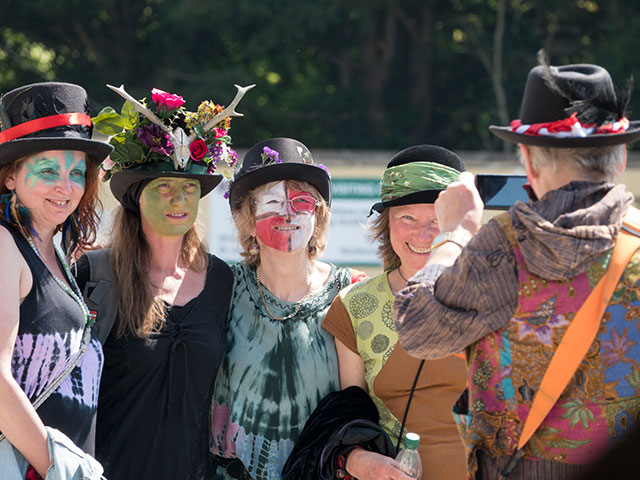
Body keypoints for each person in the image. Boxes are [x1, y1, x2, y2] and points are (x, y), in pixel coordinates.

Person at [393, 54, 640, 479]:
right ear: (619, 158)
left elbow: (418, 330)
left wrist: (455, 232)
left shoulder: (502, 247)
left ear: (527, 159)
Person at [73, 84, 243, 479]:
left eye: (189, 188)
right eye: (163, 187)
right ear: (135, 197)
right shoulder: (95, 274)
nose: (179, 200)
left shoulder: (221, 281)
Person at [210, 137, 366, 480]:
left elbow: (355, 408)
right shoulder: (220, 287)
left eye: (301, 201)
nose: (288, 213)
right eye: (271, 202)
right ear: (248, 221)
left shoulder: (349, 293)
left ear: (318, 217)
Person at [322, 145, 469, 479]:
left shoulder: (491, 296)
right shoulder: (354, 305)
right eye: (407, 218)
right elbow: (352, 415)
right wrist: (356, 459)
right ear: (386, 223)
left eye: (436, 219)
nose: (423, 233)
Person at [0, 82, 112, 477]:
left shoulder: (59, 253)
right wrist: (58, 468)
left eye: (77, 172)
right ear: (10, 176)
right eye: (48, 170)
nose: (66, 187)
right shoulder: (3, 246)